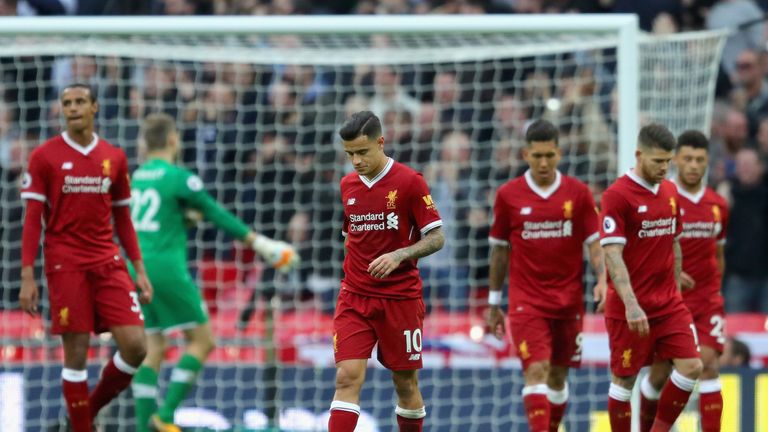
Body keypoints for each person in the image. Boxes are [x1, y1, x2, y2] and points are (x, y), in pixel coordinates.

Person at [128, 112, 299, 432]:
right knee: (203, 340)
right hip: (165, 267)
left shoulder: (135, 178)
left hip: (133, 267)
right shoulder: (179, 178)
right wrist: (264, 245)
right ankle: (165, 415)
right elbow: (217, 214)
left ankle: (142, 427)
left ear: (144, 143)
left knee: (152, 346)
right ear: (172, 139)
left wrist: (182, 219)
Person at [19, 83, 153, 432]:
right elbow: (33, 219)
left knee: (137, 347)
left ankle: (86, 412)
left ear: (94, 107)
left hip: (107, 261)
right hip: (66, 264)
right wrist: (27, 275)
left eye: (80, 102)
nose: (73, 108)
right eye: (67, 103)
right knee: (76, 355)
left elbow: (123, 218)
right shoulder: (44, 156)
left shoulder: (114, 157)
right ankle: (82, 427)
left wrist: (139, 268)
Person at [486, 119, 607, 432]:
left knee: (557, 376)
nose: (542, 162)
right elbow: (499, 251)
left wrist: (604, 279)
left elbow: (594, 244)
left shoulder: (578, 194)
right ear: (525, 154)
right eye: (536, 155)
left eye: (548, 156)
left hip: (568, 302)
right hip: (527, 303)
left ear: (559, 153)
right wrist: (493, 301)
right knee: (536, 370)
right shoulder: (508, 195)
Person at [328, 111, 445, 432]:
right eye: (350, 153)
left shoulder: (410, 182)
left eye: (362, 152)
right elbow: (349, 237)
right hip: (354, 297)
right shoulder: (347, 185)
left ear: (381, 142)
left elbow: (437, 237)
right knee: (346, 378)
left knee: (405, 383)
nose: (356, 161)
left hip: (399, 299)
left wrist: (401, 254)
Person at [600, 123, 702, 432]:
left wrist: (675, 279)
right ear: (638, 154)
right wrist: (631, 305)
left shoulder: (670, 191)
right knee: (624, 381)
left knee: (692, 367)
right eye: (657, 161)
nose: (664, 167)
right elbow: (612, 255)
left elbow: (673, 241)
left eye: (668, 161)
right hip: (630, 309)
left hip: (669, 304)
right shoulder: (617, 196)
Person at [638, 130, 729, 432]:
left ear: (707, 162)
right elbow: (645, 251)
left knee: (708, 365)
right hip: (669, 301)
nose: (693, 165)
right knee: (659, 375)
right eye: (687, 158)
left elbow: (718, 255)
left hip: (707, 301)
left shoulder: (718, 206)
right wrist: (672, 271)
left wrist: (716, 292)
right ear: (676, 160)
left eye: (700, 160)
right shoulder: (663, 199)